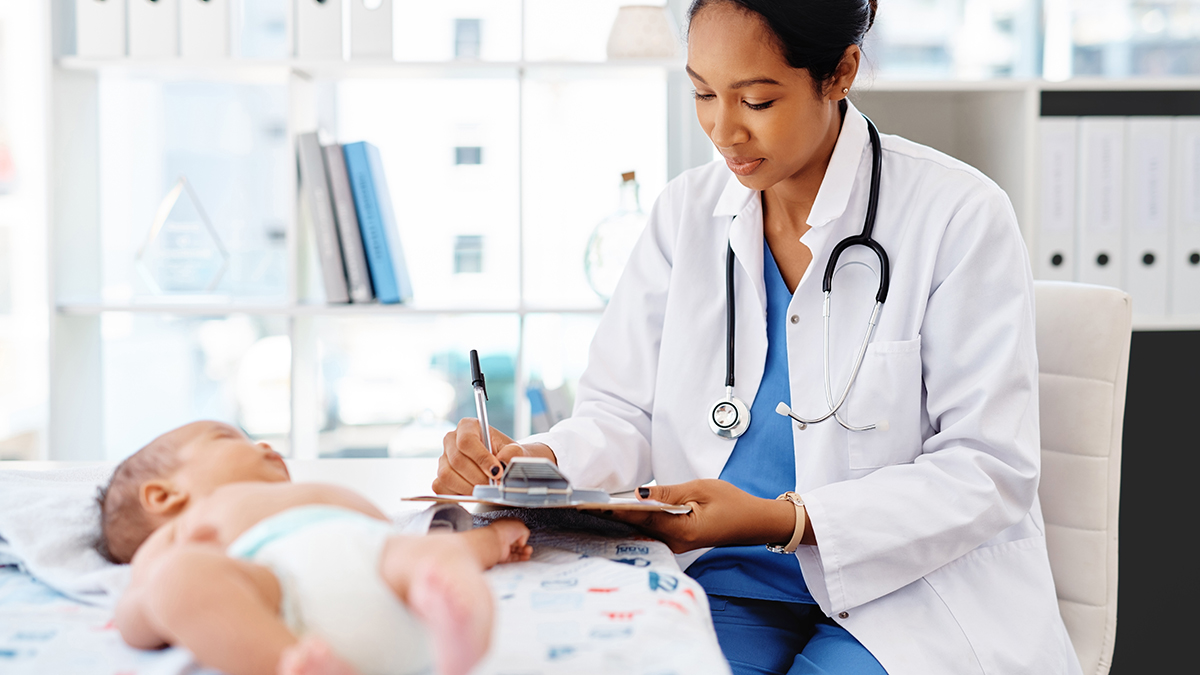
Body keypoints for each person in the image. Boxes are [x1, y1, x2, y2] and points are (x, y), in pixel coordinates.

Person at [436, 1, 1082, 674]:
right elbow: (622, 412)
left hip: (911, 593)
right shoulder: (684, 215)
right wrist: (532, 462)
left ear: (840, 73)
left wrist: (783, 519)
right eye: (703, 94)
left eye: (757, 100)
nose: (724, 130)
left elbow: (986, 467)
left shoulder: (958, 215)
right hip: (725, 578)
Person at [97, 420, 532, 675]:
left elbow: (426, 544)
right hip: (276, 594)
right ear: (164, 495)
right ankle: (286, 660)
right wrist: (161, 594)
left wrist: (492, 540)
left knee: (431, 557)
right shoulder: (184, 532)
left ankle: (457, 631)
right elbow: (147, 598)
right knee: (180, 576)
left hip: (385, 574)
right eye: (229, 439)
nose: (263, 445)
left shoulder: (299, 498)